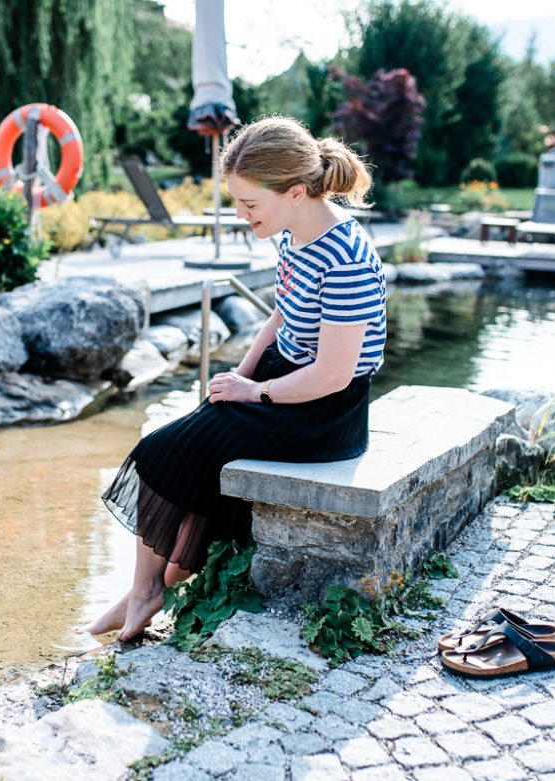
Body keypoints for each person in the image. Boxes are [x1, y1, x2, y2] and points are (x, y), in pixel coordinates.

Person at [80, 116, 388, 642]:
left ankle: (146, 592)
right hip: (281, 385)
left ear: (295, 192)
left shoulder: (348, 257)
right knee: (189, 447)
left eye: (250, 205)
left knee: (162, 452)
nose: (242, 217)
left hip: (323, 411)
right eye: (237, 203)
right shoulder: (294, 233)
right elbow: (280, 316)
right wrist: (240, 376)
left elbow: (335, 375)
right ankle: (150, 591)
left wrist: (254, 392)